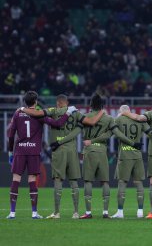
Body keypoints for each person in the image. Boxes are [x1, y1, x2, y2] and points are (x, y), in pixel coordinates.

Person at [21, 94, 104, 219]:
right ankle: (76, 212)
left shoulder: (53, 111)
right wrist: (101, 112)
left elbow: (36, 114)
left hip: (58, 150)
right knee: (74, 181)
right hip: (72, 149)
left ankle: (57, 212)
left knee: (58, 180)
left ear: (58, 103)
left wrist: (22, 109)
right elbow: (92, 122)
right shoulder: (75, 113)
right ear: (67, 102)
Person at [55, 94, 135, 219]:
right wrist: (132, 143)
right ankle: (105, 212)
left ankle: (88, 212)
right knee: (105, 182)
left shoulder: (85, 117)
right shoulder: (108, 118)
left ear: (91, 105)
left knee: (88, 181)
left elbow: (75, 133)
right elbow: (117, 133)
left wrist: (60, 141)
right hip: (102, 151)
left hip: (89, 151)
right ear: (102, 105)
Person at [7, 91, 76, 219]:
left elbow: (11, 135)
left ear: (25, 102)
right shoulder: (39, 114)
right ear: (36, 102)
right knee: (32, 180)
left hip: (20, 151)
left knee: (16, 179)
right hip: (33, 151)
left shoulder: (17, 113)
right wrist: (67, 112)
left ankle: (12, 213)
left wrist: (11, 151)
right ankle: (34, 213)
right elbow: (57, 124)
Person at [97, 105, 152, 219]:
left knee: (122, 182)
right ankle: (140, 211)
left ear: (121, 112)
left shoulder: (118, 120)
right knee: (138, 183)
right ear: (129, 111)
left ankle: (120, 212)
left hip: (124, 155)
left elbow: (109, 134)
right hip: (137, 155)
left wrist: (95, 140)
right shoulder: (140, 121)